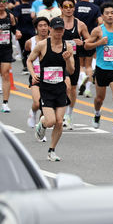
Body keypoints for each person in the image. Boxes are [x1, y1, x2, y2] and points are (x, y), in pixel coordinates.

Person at [29, 17, 75, 162]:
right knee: (50, 121)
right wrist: (33, 74)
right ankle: (42, 123)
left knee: (59, 122)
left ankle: (51, 150)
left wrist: (67, 59)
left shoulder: (67, 46)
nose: (58, 32)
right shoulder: (42, 45)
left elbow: (71, 70)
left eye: (61, 29)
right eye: (56, 29)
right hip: (46, 88)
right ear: (51, 29)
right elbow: (29, 60)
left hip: (60, 88)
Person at [84, 2, 113, 137]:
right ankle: (97, 114)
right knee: (99, 99)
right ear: (102, 15)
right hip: (102, 68)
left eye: (112, 13)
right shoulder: (98, 30)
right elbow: (87, 45)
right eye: (107, 13)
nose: (110, 15)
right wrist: (99, 43)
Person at [58, 0, 90, 129]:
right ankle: (56, 112)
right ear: (61, 8)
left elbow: (89, 40)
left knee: (71, 88)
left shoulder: (80, 24)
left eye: (71, 6)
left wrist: (82, 42)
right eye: (65, 7)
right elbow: (47, 39)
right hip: (57, 60)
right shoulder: (55, 22)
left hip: (73, 61)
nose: (68, 9)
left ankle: (68, 115)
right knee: (62, 88)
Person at [25, 17, 50, 128]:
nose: (43, 28)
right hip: (36, 74)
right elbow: (26, 55)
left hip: (50, 75)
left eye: (45, 25)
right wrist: (32, 73)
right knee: (37, 103)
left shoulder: (53, 40)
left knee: (46, 105)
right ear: (36, 28)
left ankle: (41, 126)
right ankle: (33, 112)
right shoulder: (31, 42)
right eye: (40, 26)